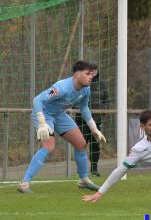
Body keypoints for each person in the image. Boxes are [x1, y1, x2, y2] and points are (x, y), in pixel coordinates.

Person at [18, 60, 104, 194]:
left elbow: (84, 107)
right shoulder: (61, 87)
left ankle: (84, 180)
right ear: (77, 75)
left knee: (81, 143)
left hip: (59, 114)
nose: (91, 76)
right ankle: (24, 183)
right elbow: (37, 100)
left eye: (91, 74)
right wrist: (42, 123)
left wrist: (94, 129)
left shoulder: (86, 89)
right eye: (87, 74)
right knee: (49, 146)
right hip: (43, 113)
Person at [74, 72, 109, 177]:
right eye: (90, 71)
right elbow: (74, 100)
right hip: (81, 120)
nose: (92, 73)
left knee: (95, 144)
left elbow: (106, 101)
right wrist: (76, 109)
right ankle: (81, 170)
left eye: (95, 69)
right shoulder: (81, 85)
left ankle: (94, 168)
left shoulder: (101, 85)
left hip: (96, 119)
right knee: (81, 144)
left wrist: (103, 112)